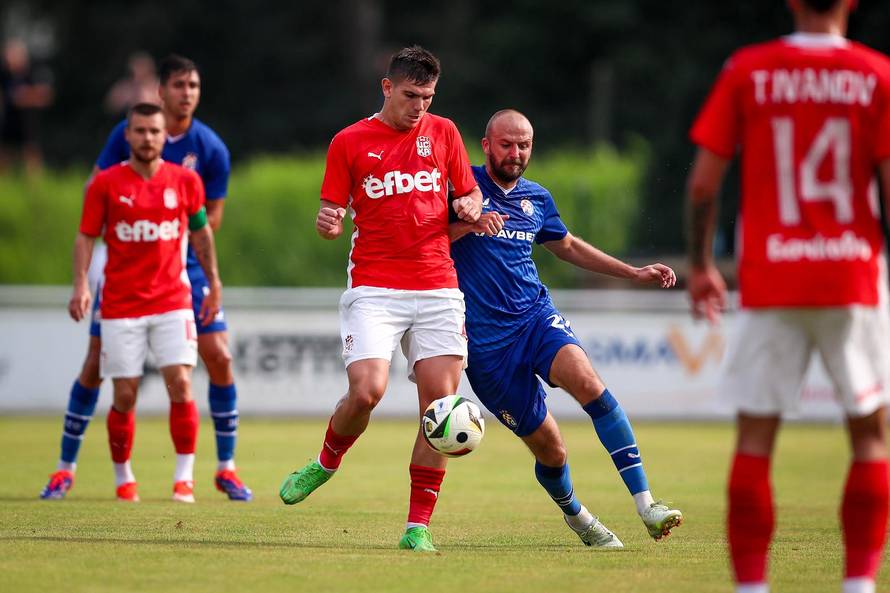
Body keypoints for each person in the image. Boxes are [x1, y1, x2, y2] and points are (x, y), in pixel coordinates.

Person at [686, 1, 890, 591]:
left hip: (771, 275)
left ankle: (752, 587)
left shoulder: (748, 70)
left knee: (755, 439)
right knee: (870, 436)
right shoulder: (876, 75)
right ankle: (859, 584)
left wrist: (700, 265)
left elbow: (703, 185)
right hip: (853, 277)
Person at [278, 45, 482, 552]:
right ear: (387, 87)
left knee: (440, 410)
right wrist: (328, 223)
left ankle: (417, 528)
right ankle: (325, 462)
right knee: (367, 391)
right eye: (411, 95)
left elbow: (468, 194)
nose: (420, 107)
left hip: (438, 287)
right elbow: (331, 219)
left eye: (428, 97)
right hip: (374, 286)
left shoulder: (445, 133)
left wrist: (472, 204)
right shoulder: (348, 141)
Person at [449, 109, 683, 548]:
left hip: (535, 318)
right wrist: (468, 223)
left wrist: (633, 273)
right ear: (485, 145)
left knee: (589, 383)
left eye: (524, 145)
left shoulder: (537, 198)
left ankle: (647, 504)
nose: (516, 153)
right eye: (506, 144)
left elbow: (568, 246)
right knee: (552, 450)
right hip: (487, 348)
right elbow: (425, 241)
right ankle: (578, 516)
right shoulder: (462, 187)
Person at [40, 55, 252, 502]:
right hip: (125, 270)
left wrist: (169, 232)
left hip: (183, 267)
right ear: (161, 91)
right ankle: (65, 468)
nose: (187, 93)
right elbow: (97, 193)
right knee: (96, 366)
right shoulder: (128, 133)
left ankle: (226, 468)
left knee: (218, 356)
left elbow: (209, 221)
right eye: (179, 85)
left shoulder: (210, 148)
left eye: (194, 86)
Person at [70, 102, 221, 502]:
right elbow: (86, 236)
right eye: (140, 131)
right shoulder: (106, 184)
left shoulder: (185, 181)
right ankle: (124, 478)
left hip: (173, 300)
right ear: (127, 135)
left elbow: (201, 233)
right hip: (121, 304)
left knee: (182, 384)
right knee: (125, 394)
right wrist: (81, 284)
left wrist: (214, 282)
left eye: (154, 131)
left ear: (162, 135)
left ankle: (184, 478)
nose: (148, 138)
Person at [0, 38, 53, 176]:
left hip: (27, 120)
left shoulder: (33, 73)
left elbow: (45, 96)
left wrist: (24, 97)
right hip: (9, 119)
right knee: (5, 152)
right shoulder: (5, 75)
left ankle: (34, 183)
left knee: (31, 152)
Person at [104, 52, 161, 116]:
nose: (137, 70)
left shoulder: (160, 85)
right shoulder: (126, 86)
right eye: (135, 67)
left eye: (141, 66)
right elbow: (110, 104)